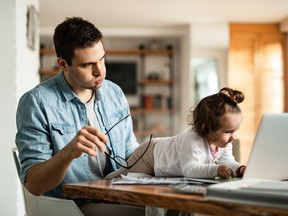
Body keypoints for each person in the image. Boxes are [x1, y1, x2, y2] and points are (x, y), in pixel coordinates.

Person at [15, 17, 145, 215]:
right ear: (62, 64)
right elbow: (34, 185)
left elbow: (130, 153)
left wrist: (158, 155)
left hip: (117, 197)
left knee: (172, 209)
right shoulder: (36, 102)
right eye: (87, 65)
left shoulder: (115, 93)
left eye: (102, 59)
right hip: (72, 206)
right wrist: (68, 153)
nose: (99, 71)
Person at [105, 87, 246, 180]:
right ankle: (100, 182)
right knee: (121, 177)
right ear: (206, 128)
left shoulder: (223, 143)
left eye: (235, 131)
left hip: (162, 163)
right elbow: (190, 170)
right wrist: (216, 170)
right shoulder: (193, 140)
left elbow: (227, 161)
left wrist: (239, 169)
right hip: (151, 155)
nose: (233, 137)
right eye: (228, 132)